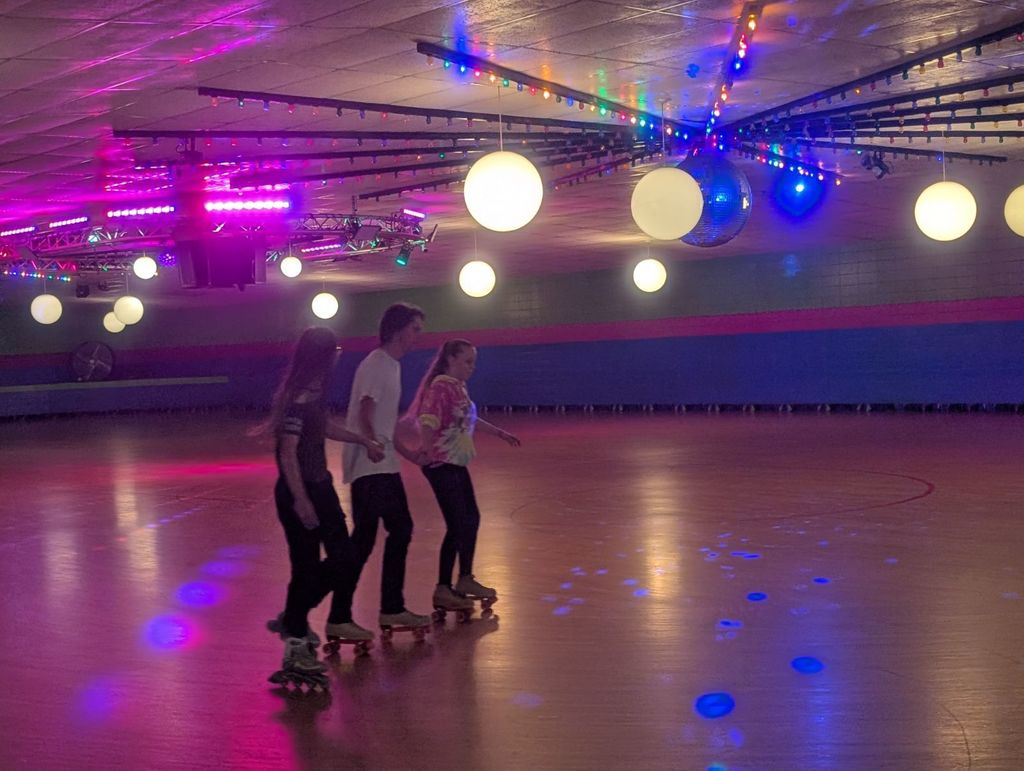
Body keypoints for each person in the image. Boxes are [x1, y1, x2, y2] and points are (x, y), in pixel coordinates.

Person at [257, 327, 384, 678]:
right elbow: (288, 453)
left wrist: (360, 439)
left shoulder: (313, 391)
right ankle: (295, 643)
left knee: (342, 557)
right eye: (336, 349)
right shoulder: (298, 397)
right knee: (308, 566)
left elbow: (323, 426)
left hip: (320, 487)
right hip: (302, 491)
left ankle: (293, 618)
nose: (339, 354)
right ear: (324, 356)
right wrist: (301, 500)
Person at [409, 339, 520, 614]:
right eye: (467, 361)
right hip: (440, 463)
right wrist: (425, 448)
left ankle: (465, 578)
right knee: (457, 523)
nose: (472, 367)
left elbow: (469, 420)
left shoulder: (458, 387)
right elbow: (428, 419)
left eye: (474, 362)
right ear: (451, 360)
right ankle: (443, 588)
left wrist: (500, 433)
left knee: (471, 518)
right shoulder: (440, 387)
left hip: (455, 463)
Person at [342, 303, 432, 632]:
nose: (418, 336)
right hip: (371, 466)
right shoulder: (377, 364)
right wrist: (371, 443)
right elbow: (366, 410)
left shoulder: (391, 366)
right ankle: (363, 612)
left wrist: (409, 455)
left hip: (382, 463)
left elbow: (386, 421)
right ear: (397, 330)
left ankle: (382, 609)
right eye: (415, 329)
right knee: (378, 536)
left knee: (383, 534)